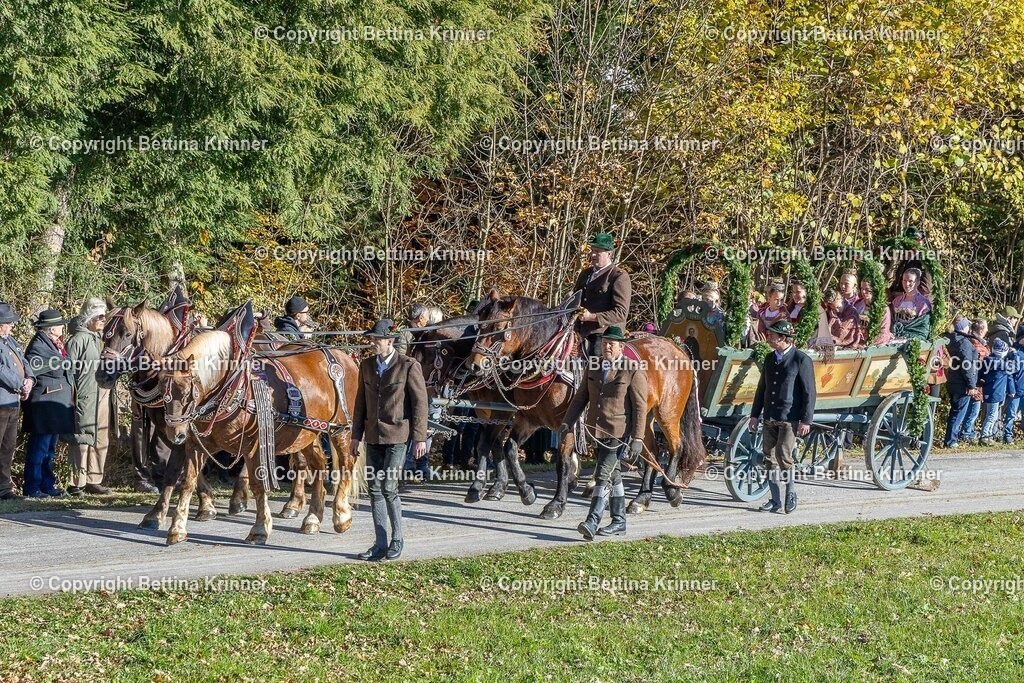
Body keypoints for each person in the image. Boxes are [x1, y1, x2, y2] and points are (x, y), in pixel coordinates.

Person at [351, 318, 428, 561]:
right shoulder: (365, 366)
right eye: (371, 338)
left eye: (377, 339)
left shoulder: (408, 365)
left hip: (398, 436)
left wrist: (419, 438)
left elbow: (420, 404)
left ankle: (397, 539)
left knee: (388, 487)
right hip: (373, 435)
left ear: (390, 341)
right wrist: (356, 436)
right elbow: (360, 404)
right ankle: (380, 543)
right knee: (374, 489)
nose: (372, 342)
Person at [559, 326, 647, 540]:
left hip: (619, 433)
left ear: (621, 347)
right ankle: (619, 521)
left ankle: (592, 520)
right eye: (605, 342)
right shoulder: (594, 366)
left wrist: (638, 438)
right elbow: (581, 398)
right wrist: (566, 423)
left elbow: (640, 407)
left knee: (602, 475)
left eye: (612, 343)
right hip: (597, 431)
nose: (607, 346)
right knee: (614, 475)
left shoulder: (632, 369)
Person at [748, 320, 815, 514]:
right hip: (770, 415)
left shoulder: (801, 360)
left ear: (783, 338)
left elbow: (809, 393)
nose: (768, 337)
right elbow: (762, 389)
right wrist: (754, 415)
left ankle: (791, 494)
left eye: (772, 335)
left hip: (790, 418)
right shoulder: (769, 358)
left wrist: (806, 420)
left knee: (784, 456)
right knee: (769, 458)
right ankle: (775, 499)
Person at [22, 309, 75, 498]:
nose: (63, 326)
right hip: (44, 404)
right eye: (60, 324)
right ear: (51, 329)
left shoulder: (54, 343)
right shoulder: (38, 345)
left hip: (54, 403)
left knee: (50, 449)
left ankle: (47, 484)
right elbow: (54, 366)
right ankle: (32, 486)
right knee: (39, 448)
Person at [65, 297, 112, 496]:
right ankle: (77, 483)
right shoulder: (78, 339)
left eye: (104, 316)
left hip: (103, 393)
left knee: (101, 437)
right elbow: (67, 369)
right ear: (90, 317)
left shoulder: (101, 338)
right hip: (84, 393)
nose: (103, 320)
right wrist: (71, 396)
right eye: (99, 316)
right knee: (81, 438)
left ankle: (94, 479)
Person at [573, 232, 631, 357]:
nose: (592, 254)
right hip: (579, 332)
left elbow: (621, 312)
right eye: (592, 250)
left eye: (597, 251)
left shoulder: (619, 276)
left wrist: (592, 317)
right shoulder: (584, 274)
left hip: (604, 335)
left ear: (609, 254)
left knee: (596, 367)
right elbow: (575, 300)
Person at [0, 303, 33, 500]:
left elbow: (24, 361)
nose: (12, 326)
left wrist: (30, 379)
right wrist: (21, 383)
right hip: (2, 402)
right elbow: (1, 370)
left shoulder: (10, 341)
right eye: (9, 323)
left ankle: (4, 488)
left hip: (12, 402)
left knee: (7, 447)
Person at [944, 316, 981, 449]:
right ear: (963, 327)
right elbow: (968, 365)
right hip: (962, 384)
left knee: (954, 411)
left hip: (952, 381)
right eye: (966, 325)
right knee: (958, 412)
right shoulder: (964, 343)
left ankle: (950, 438)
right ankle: (951, 441)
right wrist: (971, 385)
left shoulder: (950, 340)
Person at [979, 339, 1014, 446]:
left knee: (992, 415)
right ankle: (985, 436)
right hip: (995, 393)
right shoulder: (1000, 364)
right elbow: (1013, 368)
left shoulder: (988, 361)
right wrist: (1013, 354)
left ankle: (988, 435)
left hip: (993, 392)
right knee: (991, 415)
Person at [890, 267, 932, 340]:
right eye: (904, 280)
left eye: (911, 281)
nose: (907, 284)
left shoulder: (923, 304)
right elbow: (892, 322)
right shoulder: (896, 301)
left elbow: (923, 329)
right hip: (894, 338)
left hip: (912, 339)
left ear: (918, 282)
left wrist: (906, 336)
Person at [854, 280, 892, 346]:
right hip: (857, 341)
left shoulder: (883, 309)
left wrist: (867, 343)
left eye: (867, 289)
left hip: (874, 345)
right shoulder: (857, 305)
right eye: (862, 288)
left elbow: (883, 332)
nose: (863, 292)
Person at [1006, 325, 1024, 443]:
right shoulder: (1015, 352)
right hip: (1016, 389)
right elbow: (1010, 374)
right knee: (1011, 414)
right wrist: (1012, 389)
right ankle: (1007, 436)